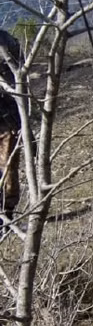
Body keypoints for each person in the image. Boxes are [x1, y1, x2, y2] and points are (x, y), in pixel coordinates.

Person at [0, 29, 22, 222]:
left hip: (8, 119)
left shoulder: (5, 42)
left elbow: (17, 77)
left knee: (9, 169)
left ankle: (7, 215)